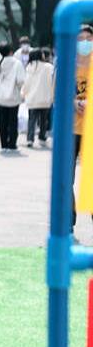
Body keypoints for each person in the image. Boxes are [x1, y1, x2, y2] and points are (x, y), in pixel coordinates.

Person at [72, 25, 93, 231]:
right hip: (71, 129)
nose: (85, 42)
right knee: (66, 177)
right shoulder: (67, 64)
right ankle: (68, 221)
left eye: (89, 38)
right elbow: (57, 93)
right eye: (81, 39)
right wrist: (73, 102)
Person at [0, 42, 25, 152]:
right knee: (13, 121)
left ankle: (3, 145)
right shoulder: (17, 63)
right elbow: (21, 80)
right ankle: (12, 144)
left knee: (2, 121)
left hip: (1, 96)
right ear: (11, 51)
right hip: (13, 96)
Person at [21, 48, 54, 147]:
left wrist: (23, 93)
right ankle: (42, 137)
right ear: (40, 55)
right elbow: (53, 82)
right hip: (45, 98)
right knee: (44, 120)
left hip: (32, 98)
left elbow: (27, 83)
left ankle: (30, 139)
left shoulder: (29, 67)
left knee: (32, 120)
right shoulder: (49, 67)